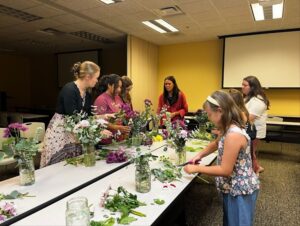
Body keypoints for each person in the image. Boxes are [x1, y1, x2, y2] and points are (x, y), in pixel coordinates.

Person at [184, 90, 259, 226]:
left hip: (239, 191)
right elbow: (215, 144)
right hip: (232, 188)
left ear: (220, 110)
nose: (208, 117)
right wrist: (199, 155)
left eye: (209, 114)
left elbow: (225, 170)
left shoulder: (233, 135)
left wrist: (196, 168)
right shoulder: (228, 128)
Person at [40, 61, 111, 167]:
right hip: (61, 132)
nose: (97, 81)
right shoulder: (69, 90)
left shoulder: (87, 93)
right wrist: (98, 131)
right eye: (96, 78)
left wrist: (101, 117)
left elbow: (85, 116)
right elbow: (73, 118)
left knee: (72, 165)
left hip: (75, 130)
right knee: (57, 167)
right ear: (87, 76)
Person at [242, 76, 269, 175]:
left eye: (245, 85)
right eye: (242, 85)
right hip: (249, 130)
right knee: (249, 152)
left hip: (255, 132)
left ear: (253, 87)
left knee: (250, 153)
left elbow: (248, 118)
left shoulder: (258, 101)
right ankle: (256, 167)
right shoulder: (248, 98)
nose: (242, 87)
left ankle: (254, 171)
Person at [94, 74, 131, 138]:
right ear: (109, 85)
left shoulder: (118, 97)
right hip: (106, 138)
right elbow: (98, 121)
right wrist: (116, 127)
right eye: (117, 87)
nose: (119, 90)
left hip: (118, 137)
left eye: (120, 87)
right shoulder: (101, 99)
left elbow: (121, 113)